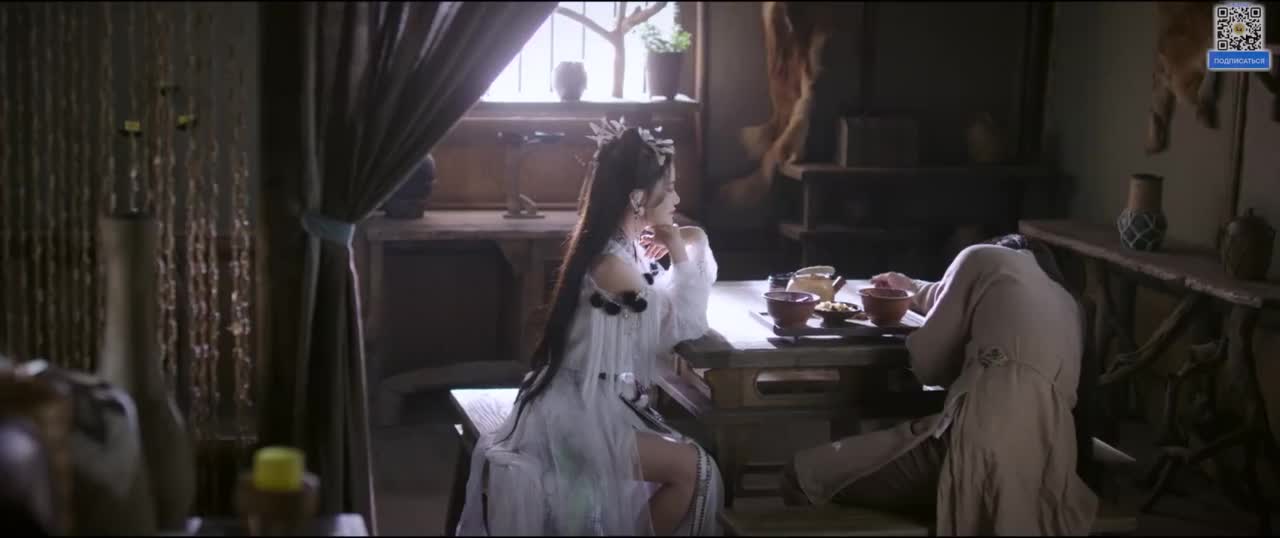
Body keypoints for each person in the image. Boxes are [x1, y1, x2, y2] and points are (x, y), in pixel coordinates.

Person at [455, 121, 723, 536]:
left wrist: (689, 240)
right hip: (575, 416)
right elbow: (684, 323)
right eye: (669, 188)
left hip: (591, 402)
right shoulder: (612, 266)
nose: (676, 198)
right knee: (697, 469)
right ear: (638, 199)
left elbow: (669, 305)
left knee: (690, 463)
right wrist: (684, 245)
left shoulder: (620, 249)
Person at [780, 234, 1099, 535]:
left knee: (802, 474)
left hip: (979, 451)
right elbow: (945, 293)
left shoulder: (981, 256)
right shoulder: (1065, 301)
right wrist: (909, 287)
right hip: (1048, 470)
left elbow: (927, 366)